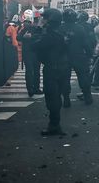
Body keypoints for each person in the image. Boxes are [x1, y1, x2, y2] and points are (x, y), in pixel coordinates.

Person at [33, 8, 70, 136]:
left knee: (52, 97)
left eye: (45, 18)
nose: (42, 20)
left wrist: (38, 29)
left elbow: (35, 45)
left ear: (50, 20)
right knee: (56, 96)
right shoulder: (62, 32)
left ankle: (54, 125)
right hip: (63, 68)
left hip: (52, 69)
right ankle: (55, 124)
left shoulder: (50, 35)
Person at [60, 9, 93, 106]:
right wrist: (90, 55)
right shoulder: (80, 28)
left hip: (64, 56)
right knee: (83, 76)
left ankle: (66, 99)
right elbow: (86, 43)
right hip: (78, 55)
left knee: (65, 78)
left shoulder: (60, 28)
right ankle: (87, 96)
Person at [17, 10, 43, 97]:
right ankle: (32, 89)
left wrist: (31, 37)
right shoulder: (26, 27)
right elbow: (18, 37)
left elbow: (41, 37)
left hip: (34, 52)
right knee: (31, 71)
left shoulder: (38, 29)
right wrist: (25, 37)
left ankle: (35, 88)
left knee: (35, 71)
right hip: (29, 52)